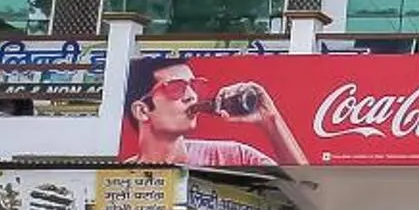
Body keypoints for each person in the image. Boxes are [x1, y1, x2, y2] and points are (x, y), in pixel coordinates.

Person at [122, 58, 308, 167]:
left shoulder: (235, 157)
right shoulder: (120, 180)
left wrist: (270, 121)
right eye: (176, 88)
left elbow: (309, 193)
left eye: (194, 86)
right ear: (142, 110)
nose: (192, 96)